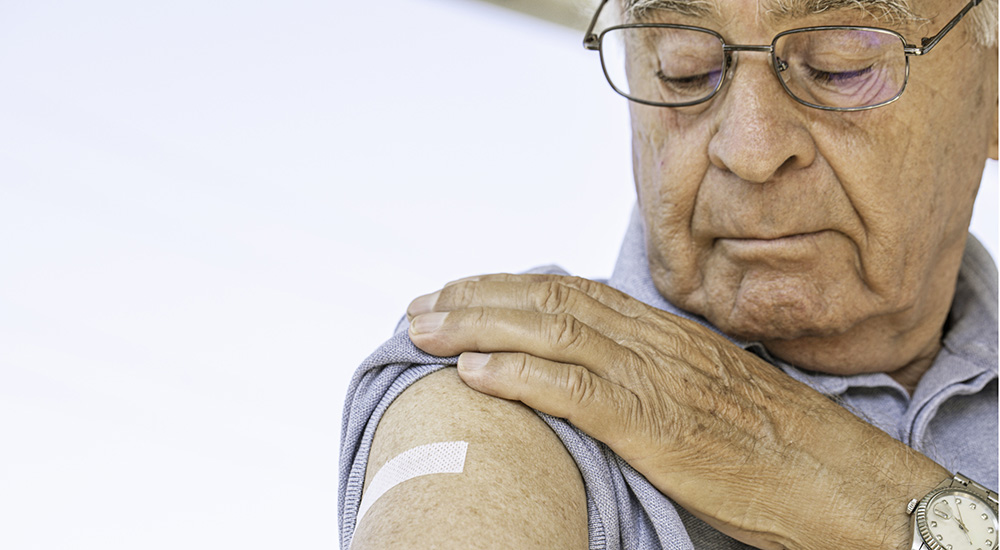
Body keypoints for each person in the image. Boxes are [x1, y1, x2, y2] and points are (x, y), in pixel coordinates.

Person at [339, 0, 999, 547]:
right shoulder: (511, 381)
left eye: (839, 67)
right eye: (686, 67)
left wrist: (865, 493)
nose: (749, 150)